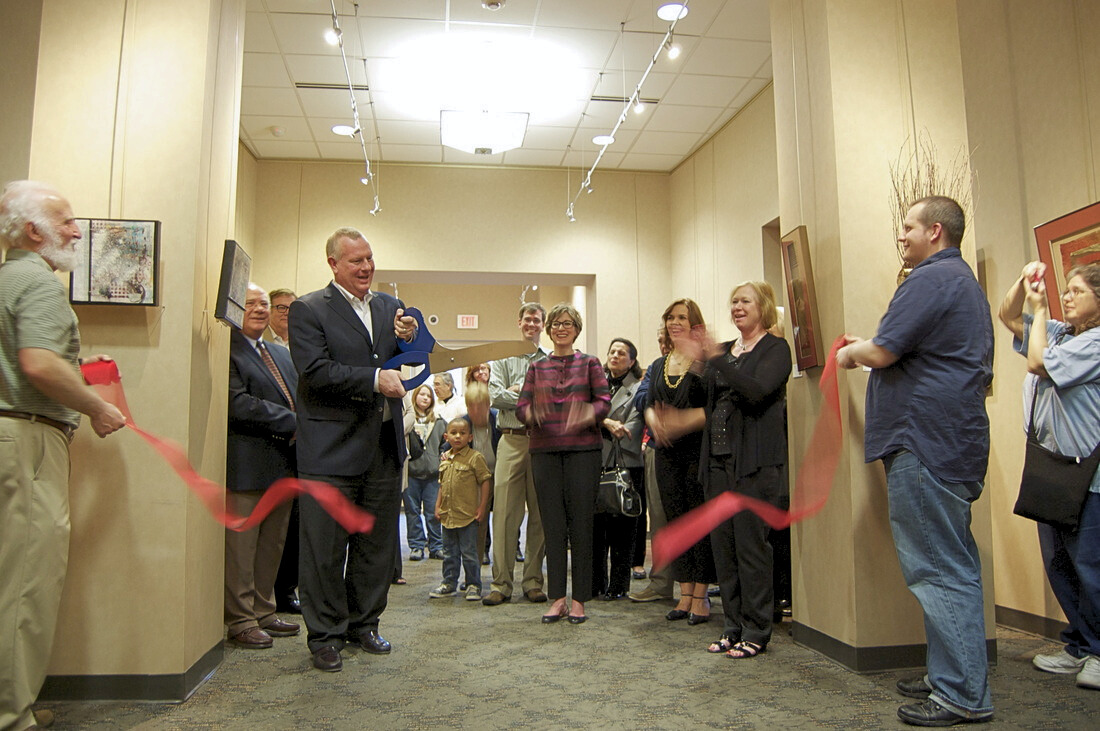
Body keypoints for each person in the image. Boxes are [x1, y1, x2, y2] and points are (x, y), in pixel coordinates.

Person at [836, 196, 994, 726]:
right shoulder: (962, 283)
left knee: (939, 571)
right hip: (951, 442)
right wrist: (874, 346)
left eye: (907, 227)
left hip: (926, 443)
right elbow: (905, 351)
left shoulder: (929, 279)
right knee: (951, 565)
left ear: (935, 231)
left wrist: (852, 353)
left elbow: (883, 354)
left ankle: (961, 695)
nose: (901, 236)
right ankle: (948, 675)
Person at [0, 180, 128, 731]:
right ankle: (11, 716)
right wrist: (95, 407)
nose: (79, 232)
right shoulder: (39, 283)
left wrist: (74, 370)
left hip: (14, 436)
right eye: (68, 221)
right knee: (27, 581)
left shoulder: (8, 279)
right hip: (26, 442)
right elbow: (38, 366)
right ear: (34, 231)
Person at [288, 226, 417, 673]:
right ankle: (325, 635)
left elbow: (412, 360)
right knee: (323, 548)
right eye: (355, 261)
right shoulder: (307, 310)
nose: (366, 267)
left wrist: (410, 335)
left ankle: (364, 624)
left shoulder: (388, 306)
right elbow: (315, 370)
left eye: (369, 258)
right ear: (333, 265)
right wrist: (371, 379)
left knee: (376, 546)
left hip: (383, 447)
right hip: (330, 451)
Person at [999, 260, 1100, 690]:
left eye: (1079, 290)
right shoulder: (1062, 333)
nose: (1069, 295)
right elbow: (1006, 315)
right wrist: (1023, 284)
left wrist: (1040, 312)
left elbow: (1038, 363)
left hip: (1088, 476)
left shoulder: (1095, 343)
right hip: (1052, 468)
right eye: (1068, 289)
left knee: (1089, 565)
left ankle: (1098, 650)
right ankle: (1079, 643)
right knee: (1059, 562)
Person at [679, 282, 792, 659]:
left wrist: (717, 358)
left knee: (751, 549)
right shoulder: (725, 351)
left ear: (764, 306)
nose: (737, 306)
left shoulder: (775, 349)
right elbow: (694, 400)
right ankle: (732, 626)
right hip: (717, 465)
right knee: (723, 550)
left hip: (755, 466)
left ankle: (757, 629)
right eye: (733, 301)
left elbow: (756, 392)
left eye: (745, 300)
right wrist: (697, 360)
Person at [517, 304, 610, 623]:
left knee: (581, 525)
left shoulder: (590, 363)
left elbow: (604, 402)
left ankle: (580, 599)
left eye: (567, 323)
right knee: (552, 526)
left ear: (577, 328)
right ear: (548, 329)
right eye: (555, 323)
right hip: (544, 452)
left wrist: (588, 413)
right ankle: (557, 597)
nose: (560, 328)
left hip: (583, 452)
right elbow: (522, 405)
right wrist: (530, 414)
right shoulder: (536, 367)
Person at [224, 283, 300, 648]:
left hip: (283, 465)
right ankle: (241, 619)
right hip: (248, 465)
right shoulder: (227, 350)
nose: (258, 309)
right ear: (235, 308)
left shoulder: (280, 354)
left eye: (263, 303)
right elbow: (238, 404)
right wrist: (293, 422)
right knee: (243, 547)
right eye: (251, 303)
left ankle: (265, 610)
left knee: (273, 544)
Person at [645, 299, 715, 624]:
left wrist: (682, 420)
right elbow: (647, 402)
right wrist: (654, 420)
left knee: (697, 521)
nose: (675, 322)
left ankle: (701, 596)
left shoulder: (704, 363)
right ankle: (684, 594)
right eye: (670, 317)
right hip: (666, 453)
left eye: (682, 318)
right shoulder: (659, 364)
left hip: (698, 451)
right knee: (674, 520)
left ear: (694, 324)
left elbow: (715, 410)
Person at [484, 303, 549, 606]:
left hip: (541, 442)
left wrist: (517, 391)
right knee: (505, 516)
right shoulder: (502, 357)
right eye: (527, 319)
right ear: (519, 322)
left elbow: (554, 400)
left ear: (542, 325)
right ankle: (501, 584)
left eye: (537, 320)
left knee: (539, 515)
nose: (531, 324)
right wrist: (532, 393)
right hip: (510, 441)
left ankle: (533, 582)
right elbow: (495, 396)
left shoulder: (550, 360)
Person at [593, 338, 644, 600]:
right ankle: (595, 583)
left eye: (621, 353)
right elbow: (583, 415)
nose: (614, 356)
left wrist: (601, 424)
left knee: (623, 529)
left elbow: (632, 428)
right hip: (595, 463)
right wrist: (608, 423)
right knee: (595, 528)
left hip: (625, 464)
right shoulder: (596, 383)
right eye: (612, 351)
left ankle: (619, 585)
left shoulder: (638, 388)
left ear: (631, 361)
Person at [629, 327, 676, 603]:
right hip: (658, 451)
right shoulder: (656, 367)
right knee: (659, 520)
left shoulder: (698, 365)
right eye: (659, 340)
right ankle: (661, 583)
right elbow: (641, 397)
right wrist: (653, 409)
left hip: (692, 454)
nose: (663, 345)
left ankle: (694, 589)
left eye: (667, 339)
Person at [429, 419, 492, 602]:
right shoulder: (445, 457)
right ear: (446, 436)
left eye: (462, 433)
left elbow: (485, 481)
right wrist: (437, 506)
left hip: (468, 515)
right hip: (448, 515)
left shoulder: (475, 458)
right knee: (449, 552)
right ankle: (449, 583)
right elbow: (442, 485)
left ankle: (473, 584)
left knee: (469, 552)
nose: (458, 436)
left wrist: (482, 507)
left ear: (470, 437)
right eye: (454, 433)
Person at [405, 383, 446, 561]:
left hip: (432, 475)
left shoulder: (439, 421)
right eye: (421, 394)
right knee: (412, 511)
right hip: (411, 473)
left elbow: (444, 446)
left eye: (428, 396)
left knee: (433, 512)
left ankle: (436, 546)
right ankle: (416, 546)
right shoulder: (408, 419)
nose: (425, 398)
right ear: (415, 397)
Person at [461, 381, 500, 566]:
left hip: (498, 475)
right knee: (477, 520)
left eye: (479, 406)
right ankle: (474, 563)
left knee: (502, 518)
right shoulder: (463, 423)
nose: (475, 411)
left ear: (488, 404)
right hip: (475, 480)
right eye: (471, 406)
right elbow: (446, 448)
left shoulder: (498, 421)